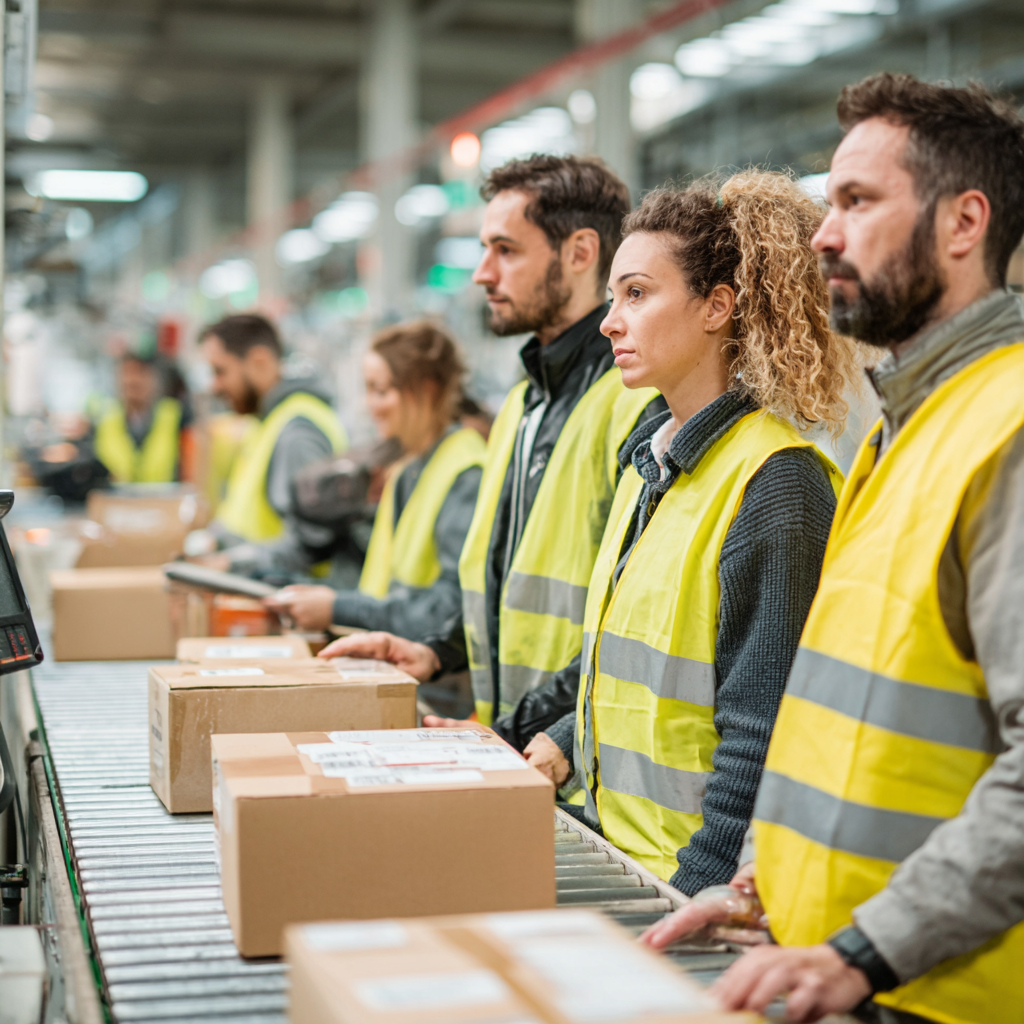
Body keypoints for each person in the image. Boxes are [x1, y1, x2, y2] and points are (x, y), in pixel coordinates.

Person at [641, 74, 1024, 1024]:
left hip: (936, 993)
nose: (823, 233)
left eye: (857, 202)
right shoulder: (905, 428)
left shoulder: (1007, 430)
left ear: (962, 223)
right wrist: (766, 875)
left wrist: (862, 951)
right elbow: (851, 722)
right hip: (845, 970)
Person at [522, 171, 851, 894]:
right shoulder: (651, 461)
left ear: (716, 308)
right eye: (613, 297)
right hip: (619, 853)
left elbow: (761, 732)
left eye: (636, 294)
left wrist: (698, 893)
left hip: (685, 885)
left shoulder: (776, 483)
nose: (611, 320)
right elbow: (637, 663)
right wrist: (561, 737)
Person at [320, 155, 663, 746]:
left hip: (582, 757)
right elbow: (501, 584)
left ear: (580, 253)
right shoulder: (522, 405)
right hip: (525, 744)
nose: (482, 273)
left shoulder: (637, 403)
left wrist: (522, 732)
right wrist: (435, 649)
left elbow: (637, 622)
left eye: (505, 250)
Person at [265, 322, 485, 641]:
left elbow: (452, 608)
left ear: (428, 389)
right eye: (368, 390)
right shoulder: (407, 466)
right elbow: (385, 585)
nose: (372, 405)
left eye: (382, 391)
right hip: (390, 661)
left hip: (434, 679)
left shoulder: (465, 471)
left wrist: (339, 608)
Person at [200, 314, 348, 574]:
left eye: (220, 371)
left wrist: (233, 563)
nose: (214, 386)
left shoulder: (297, 432)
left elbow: (312, 544)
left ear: (259, 361)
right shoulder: (267, 421)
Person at [94, 354, 190, 483]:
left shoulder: (175, 414)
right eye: (126, 373)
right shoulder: (103, 417)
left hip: (163, 500)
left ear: (153, 379)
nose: (132, 379)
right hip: (116, 500)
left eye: (139, 373)